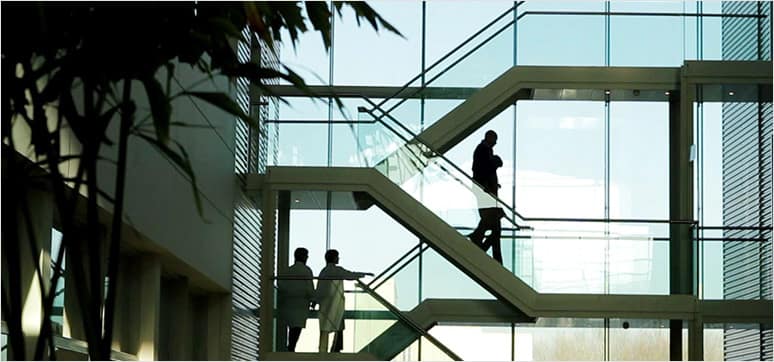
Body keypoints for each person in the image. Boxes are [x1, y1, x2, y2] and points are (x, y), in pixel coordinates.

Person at [316, 249, 373, 353]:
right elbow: (349, 275)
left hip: (325, 304)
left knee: (325, 329)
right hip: (335, 304)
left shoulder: (323, 272)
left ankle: (323, 350)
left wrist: (315, 300)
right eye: (337, 257)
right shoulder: (336, 270)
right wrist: (364, 274)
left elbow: (319, 288)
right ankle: (336, 348)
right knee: (339, 327)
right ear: (334, 258)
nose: (338, 258)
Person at [468, 130, 505, 264]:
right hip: (486, 191)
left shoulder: (483, 150)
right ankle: (492, 256)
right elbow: (486, 167)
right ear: (489, 138)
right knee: (495, 223)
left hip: (486, 191)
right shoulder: (483, 150)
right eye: (494, 140)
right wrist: (496, 161)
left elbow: (483, 168)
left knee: (493, 223)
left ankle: (481, 243)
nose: (495, 143)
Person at [277, 247, 316, 352]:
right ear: (303, 257)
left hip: (288, 303)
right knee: (296, 328)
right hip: (301, 304)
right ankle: (291, 348)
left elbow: (280, 285)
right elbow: (310, 289)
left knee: (291, 327)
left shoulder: (287, 270)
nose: (307, 257)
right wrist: (314, 299)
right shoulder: (306, 271)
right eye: (306, 255)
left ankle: (290, 347)